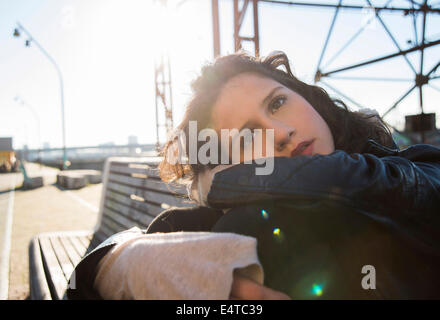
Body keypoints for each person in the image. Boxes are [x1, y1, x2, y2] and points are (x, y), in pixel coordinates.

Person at [68, 51, 440, 300]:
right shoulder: (226, 226)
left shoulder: (416, 166)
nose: (280, 133)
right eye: (248, 136)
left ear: (308, 98)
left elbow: (374, 184)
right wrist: (118, 265)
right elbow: (84, 285)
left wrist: (226, 182)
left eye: (278, 102)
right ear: (226, 160)